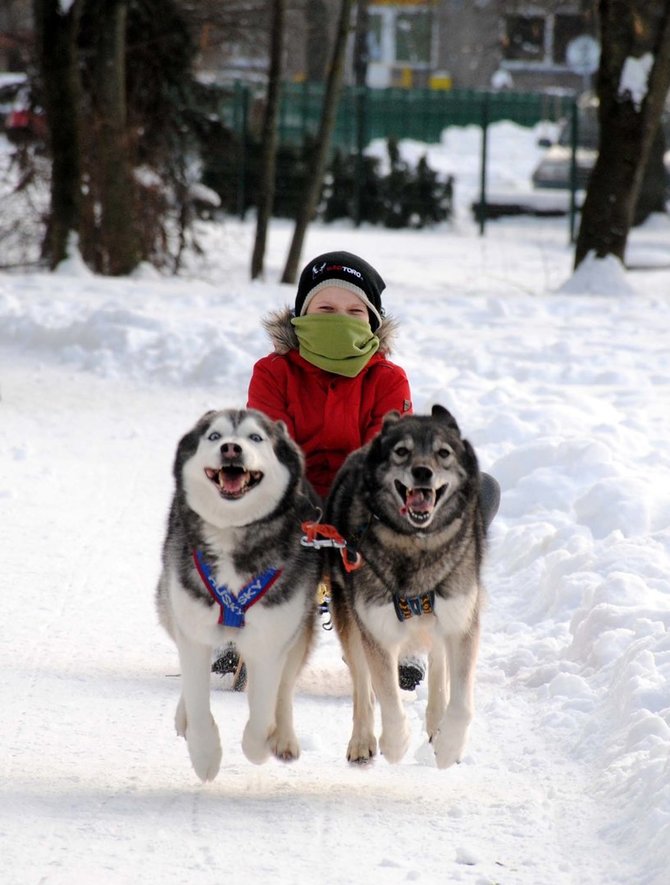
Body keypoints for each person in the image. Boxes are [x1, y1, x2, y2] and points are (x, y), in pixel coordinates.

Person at [213, 250, 499, 691]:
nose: (338, 319)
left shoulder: (387, 379)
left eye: (353, 311)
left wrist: (351, 518)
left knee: (472, 492)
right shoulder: (273, 373)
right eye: (324, 310)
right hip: (291, 503)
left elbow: (382, 462)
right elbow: (270, 451)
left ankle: (407, 636)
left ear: (372, 323)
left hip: (364, 508)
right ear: (301, 316)